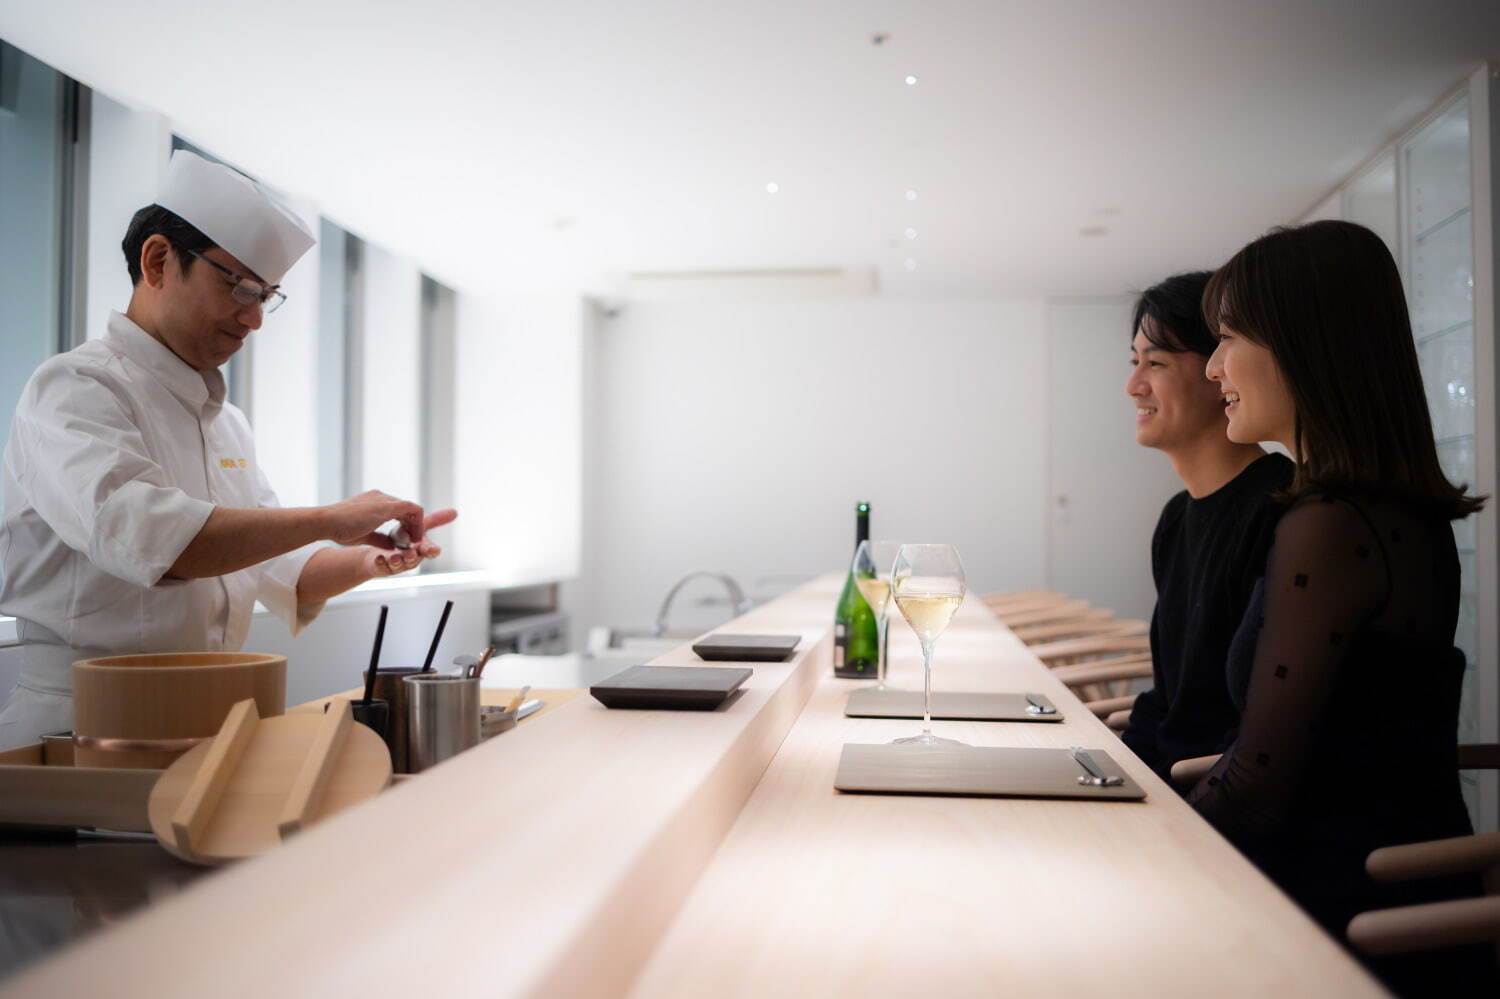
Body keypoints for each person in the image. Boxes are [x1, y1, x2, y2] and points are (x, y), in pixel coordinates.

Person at [0, 150, 455, 748]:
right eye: (240, 286)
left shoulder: (227, 423)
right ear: (159, 261)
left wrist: (367, 562)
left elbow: (273, 565)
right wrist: (334, 517)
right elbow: (152, 541)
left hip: (208, 712)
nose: (255, 319)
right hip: (80, 723)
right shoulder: (76, 388)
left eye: (266, 296)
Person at [1190, 219, 1491, 994]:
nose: (1214, 365)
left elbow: (1258, 789)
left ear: (1302, 344)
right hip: (1368, 889)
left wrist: (1143, 840)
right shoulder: (1387, 511)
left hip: (1334, 921)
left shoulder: (1330, 526)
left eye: (1228, 338)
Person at [1120, 272, 1293, 782]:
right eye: (1134, 363)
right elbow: (1169, 697)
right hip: (1173, 786)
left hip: (1213, 801)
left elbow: (1251, 729)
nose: (1133, 386)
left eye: (1156, 363)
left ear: (1219, 370)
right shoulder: (1177, 517)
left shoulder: (1285, 512)